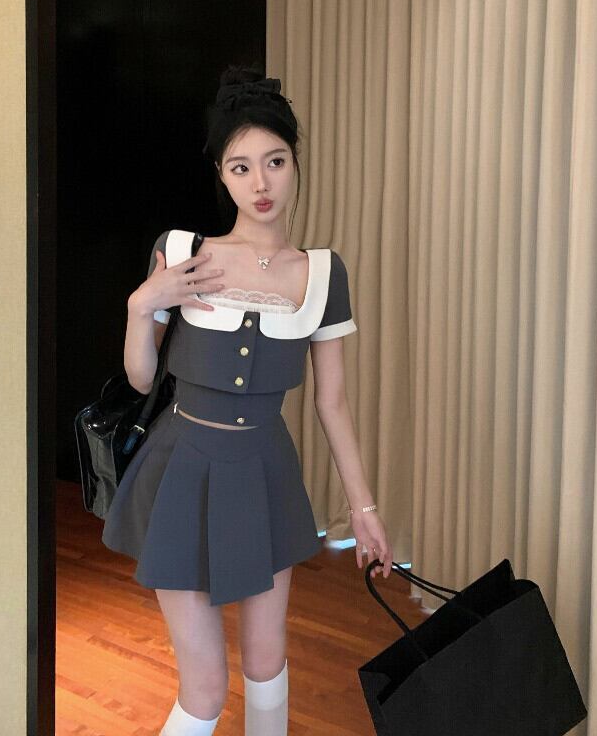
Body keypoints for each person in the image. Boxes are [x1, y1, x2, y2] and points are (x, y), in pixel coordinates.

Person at [100, 64, 393, 736]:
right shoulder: (182, 251)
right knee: (204, 690)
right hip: (181, 469)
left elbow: (332, 403)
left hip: (265, 473)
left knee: (267, 663)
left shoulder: (323, 274)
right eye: (241, 168)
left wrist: (365, 508)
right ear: (222, 176)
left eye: (275, 162)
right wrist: (141, 305)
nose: (260, 184)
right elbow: (142, 380)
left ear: (294, 165)